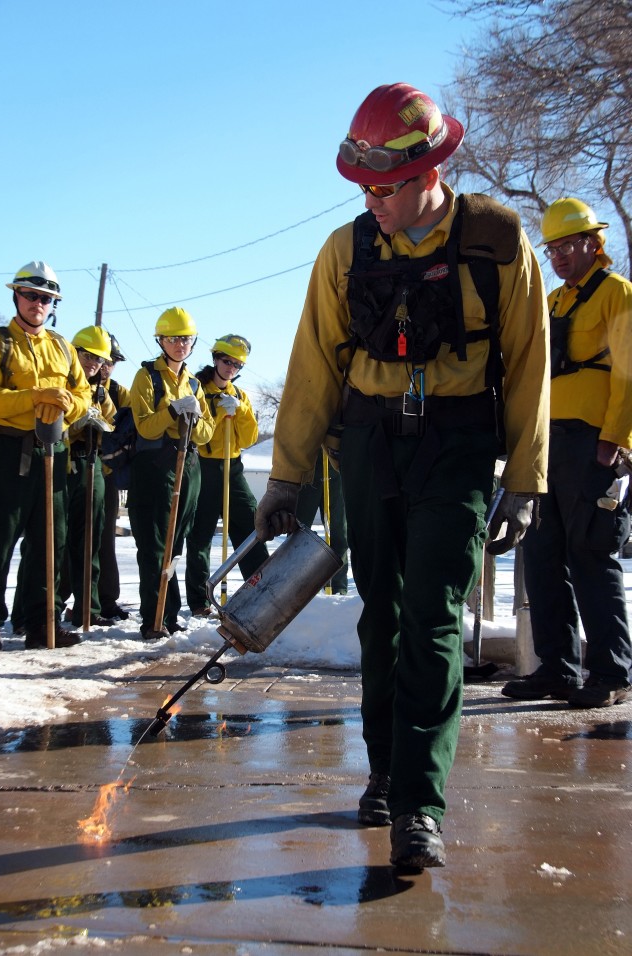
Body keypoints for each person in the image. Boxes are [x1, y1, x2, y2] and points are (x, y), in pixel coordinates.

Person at [254, 83, 550, 871]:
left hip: (456, 446)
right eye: (362, 188)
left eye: (386, 187)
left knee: (434, 619)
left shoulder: (497, 242)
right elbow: (313, 363)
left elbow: (527, 367)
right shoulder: (346, 252)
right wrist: (287, 476)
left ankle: (420, 804)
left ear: (433, 169)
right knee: (379, 613)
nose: (372, 202)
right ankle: (384, 772)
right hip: (369, 445)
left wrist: (526, 477)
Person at [502, 198, 632, 708]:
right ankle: (555, 668)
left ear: (591, 244)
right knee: (542, 554)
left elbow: (628, 371)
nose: (557, 255)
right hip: (547, 442)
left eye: (566, 245)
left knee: (592, 555)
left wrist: (617, 438)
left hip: (594, 443)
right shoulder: (553, 301)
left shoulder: (617, 294)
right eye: (550, 248)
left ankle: (612, 672)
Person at [0, 261, 92, 650]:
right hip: (5, 451)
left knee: (50, 540)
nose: (38, 303)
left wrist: (68, 403)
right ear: (15, 295)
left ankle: (40, 622)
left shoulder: (63, 347)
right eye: (31, 295)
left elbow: (83, 396)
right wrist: (34, 398)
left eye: (46, 298)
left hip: (53, 450)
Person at [128, 307, 224, 639]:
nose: (180, 344)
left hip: (190, 466)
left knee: (176, 543)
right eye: (173, 339)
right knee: (155, 544)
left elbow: (207, 433)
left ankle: (169, 614)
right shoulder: (147, 377)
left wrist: (195, 417)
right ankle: (152, 617)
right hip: (156, 467)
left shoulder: (195, 383)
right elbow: (145, 428)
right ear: (161, 341)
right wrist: (171, 410)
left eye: (185, 339)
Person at [185, 334, 269, 616]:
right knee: (200, 535)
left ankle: (261, 591)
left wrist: (241, 410)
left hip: (233, 468)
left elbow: (248, 437)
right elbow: (200, 432)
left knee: (250, 526)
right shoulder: (196, 387)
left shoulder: (239, 395)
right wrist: (220, 412)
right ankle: (199, 600)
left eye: (236, 364)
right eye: (226, 361)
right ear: (215, 358)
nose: (230, 367)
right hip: (204, 467)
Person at [60, 326, 116, 627]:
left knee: (90, 541)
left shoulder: (101, 390)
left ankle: (87, 608)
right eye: (87, 356)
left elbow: (113, 421)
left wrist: (101, 417)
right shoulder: (60, 380)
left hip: (90, 465)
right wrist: (75, 421)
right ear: (75, 352)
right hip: (62, 465)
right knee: (55, 540)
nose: (93, 363)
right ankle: (43, 609)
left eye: (99, 359)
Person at [98, 332, 131, 621]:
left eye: (111, 361)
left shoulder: (120, 393)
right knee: (61, 538)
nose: (106, 365)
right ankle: (41, 607)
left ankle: (105, 600)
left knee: (105, 537)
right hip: (70, 468)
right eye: (101, 359)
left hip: (107, 473)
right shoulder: (74, 383)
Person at [296, 450, 349, 594]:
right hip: (307, 465)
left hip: (336, 462)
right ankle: (296, 586)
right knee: (298, 533)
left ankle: (337, 587)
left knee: (339, 532)